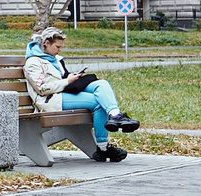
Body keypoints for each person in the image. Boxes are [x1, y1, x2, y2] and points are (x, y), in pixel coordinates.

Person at [23, 24, 141, 162]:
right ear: (46, 43)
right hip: (50, 100)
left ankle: (115, 115)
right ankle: (103, 148)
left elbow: (61, 77)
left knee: (101, 84)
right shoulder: (33, 62)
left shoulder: (55, 59)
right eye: (57, 47)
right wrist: (67, 81)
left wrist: (72, 78)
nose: (60, 50)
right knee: (98, 103)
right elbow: (42, 89)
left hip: (63, 93)